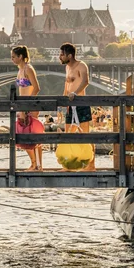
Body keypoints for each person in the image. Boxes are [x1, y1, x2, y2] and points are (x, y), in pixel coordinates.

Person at [59, 42, 95, 171]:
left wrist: (76, 93)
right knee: (68, 134)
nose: (60, 57)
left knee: (85, 135)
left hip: (81, 103)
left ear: (70, 55)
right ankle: (67, 164)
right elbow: (67, 84)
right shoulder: (67, 68)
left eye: (62, 54)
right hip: (70, 104)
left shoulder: (81, 65)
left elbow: (85, 81)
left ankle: (91, 165)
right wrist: (63, 103)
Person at [11, 45, 43, 171]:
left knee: (33, 136)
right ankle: (34, 163)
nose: (12, 59)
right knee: (23, 135)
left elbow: (36, 87)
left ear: (21, 56)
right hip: (22, 106)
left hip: (29, 106)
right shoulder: (20, 70)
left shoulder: (28, 69)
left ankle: (38, 165)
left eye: (14, 57)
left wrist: (28, 106)